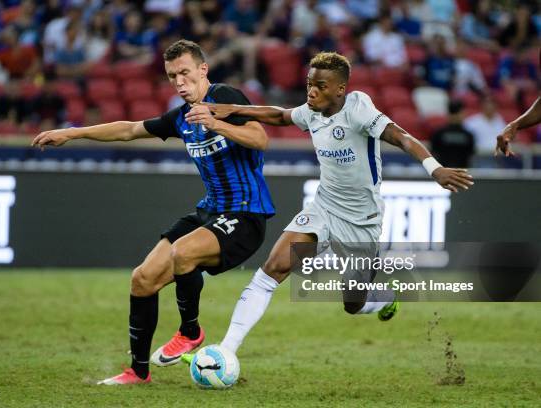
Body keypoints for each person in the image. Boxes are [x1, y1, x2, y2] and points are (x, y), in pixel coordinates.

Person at [193, 51, 473, 355]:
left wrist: (435, 168)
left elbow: (402, 137)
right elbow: (280, 115)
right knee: (274, 267)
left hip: (361, 221)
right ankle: (226, 350)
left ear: (341, 89)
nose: (312, 91)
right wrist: (233, 109)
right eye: (310, 84)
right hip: (323, 209)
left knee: (353, 303)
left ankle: (383, 296)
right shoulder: (312, 111)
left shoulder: (359, 109)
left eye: (321, 86)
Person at [31, 39, 274, 385]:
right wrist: (73, 133)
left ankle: (190, 332)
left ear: (203, 70)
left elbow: (260, 138)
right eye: (173, 75)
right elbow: (130, 129)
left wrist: (216, 122)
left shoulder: (225, 96)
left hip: (247, 215)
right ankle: (138, 372)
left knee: (182, 253)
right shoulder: (180, 118)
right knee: (142, 279)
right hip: (209, 212)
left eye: (185, 72)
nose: (179, 81)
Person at [431, 100, 475, 167]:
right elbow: (470, 155)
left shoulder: (438, 133)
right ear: (460, 114)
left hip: (443, 173)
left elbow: (434, 153)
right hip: (461, 173)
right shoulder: (468, 135)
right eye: (463, 113)